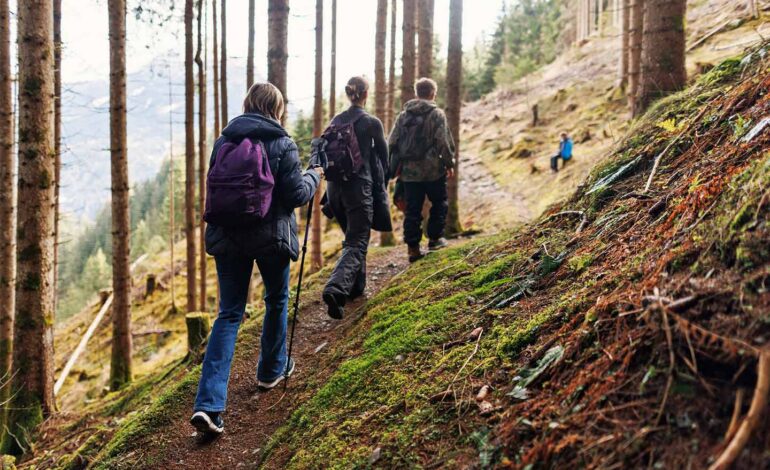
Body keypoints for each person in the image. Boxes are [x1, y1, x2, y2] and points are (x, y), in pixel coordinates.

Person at [190, 83, 322, 435]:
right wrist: (314, 174)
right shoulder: (283, 143)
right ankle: (270, 371)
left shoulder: (224, 140)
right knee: (276, 299)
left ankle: (208, 405)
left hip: (227, 236)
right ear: (277, 108)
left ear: (248, 104)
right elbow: (296, 195)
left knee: (229, 313)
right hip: (269, 238)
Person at [320, 76, 392, 320]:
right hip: (359, 189)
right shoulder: (371, 123)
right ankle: (336, 288)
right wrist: (382, 185)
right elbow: (385, 159)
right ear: (366, 94)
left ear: (347, 93)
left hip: (334, 191)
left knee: (352, 238)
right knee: (358, 241)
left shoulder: (335, 121)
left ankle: (355, 288)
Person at [388, 78, 456, 263]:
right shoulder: (437, 114)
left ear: (416, 94)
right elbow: (443, 142)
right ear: (433, 93)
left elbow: (392, 141)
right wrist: (449, 164)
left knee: (412, 210)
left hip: (409, 173)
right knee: (439, 202)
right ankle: (435, 239)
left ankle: (413, 248)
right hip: (433, 170)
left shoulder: (403, 116)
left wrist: (393, 167)